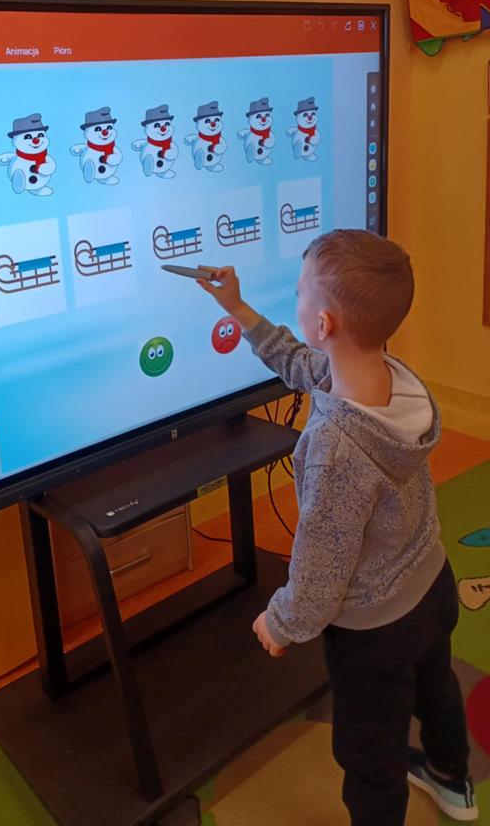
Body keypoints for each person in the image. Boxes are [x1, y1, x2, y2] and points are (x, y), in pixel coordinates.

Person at [197, 229, 477, 824]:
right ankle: (453, 780)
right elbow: (302, 365)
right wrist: (238, 309)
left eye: (300, 291)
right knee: (437, 687)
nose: (295, 298)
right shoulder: (393, 377)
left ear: (322, 323)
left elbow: (321, 567)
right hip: (432, 582)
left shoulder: (336, 448)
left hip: (377, 629)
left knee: (369, 752)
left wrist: (281, 621)